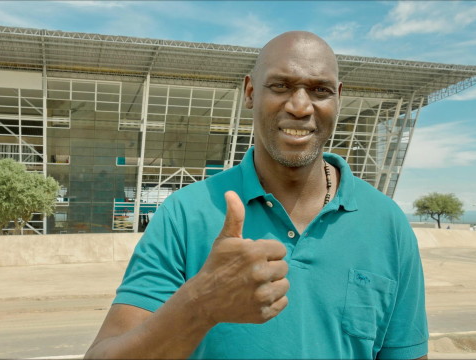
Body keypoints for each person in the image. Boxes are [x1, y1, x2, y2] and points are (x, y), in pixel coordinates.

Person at [85, 31, 428, 360]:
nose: (300, 106)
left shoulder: (387, 223)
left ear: (337, 98)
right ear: (250, 92)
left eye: (320, 90)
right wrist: (200, 305)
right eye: (280, 85)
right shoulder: (185, 214)